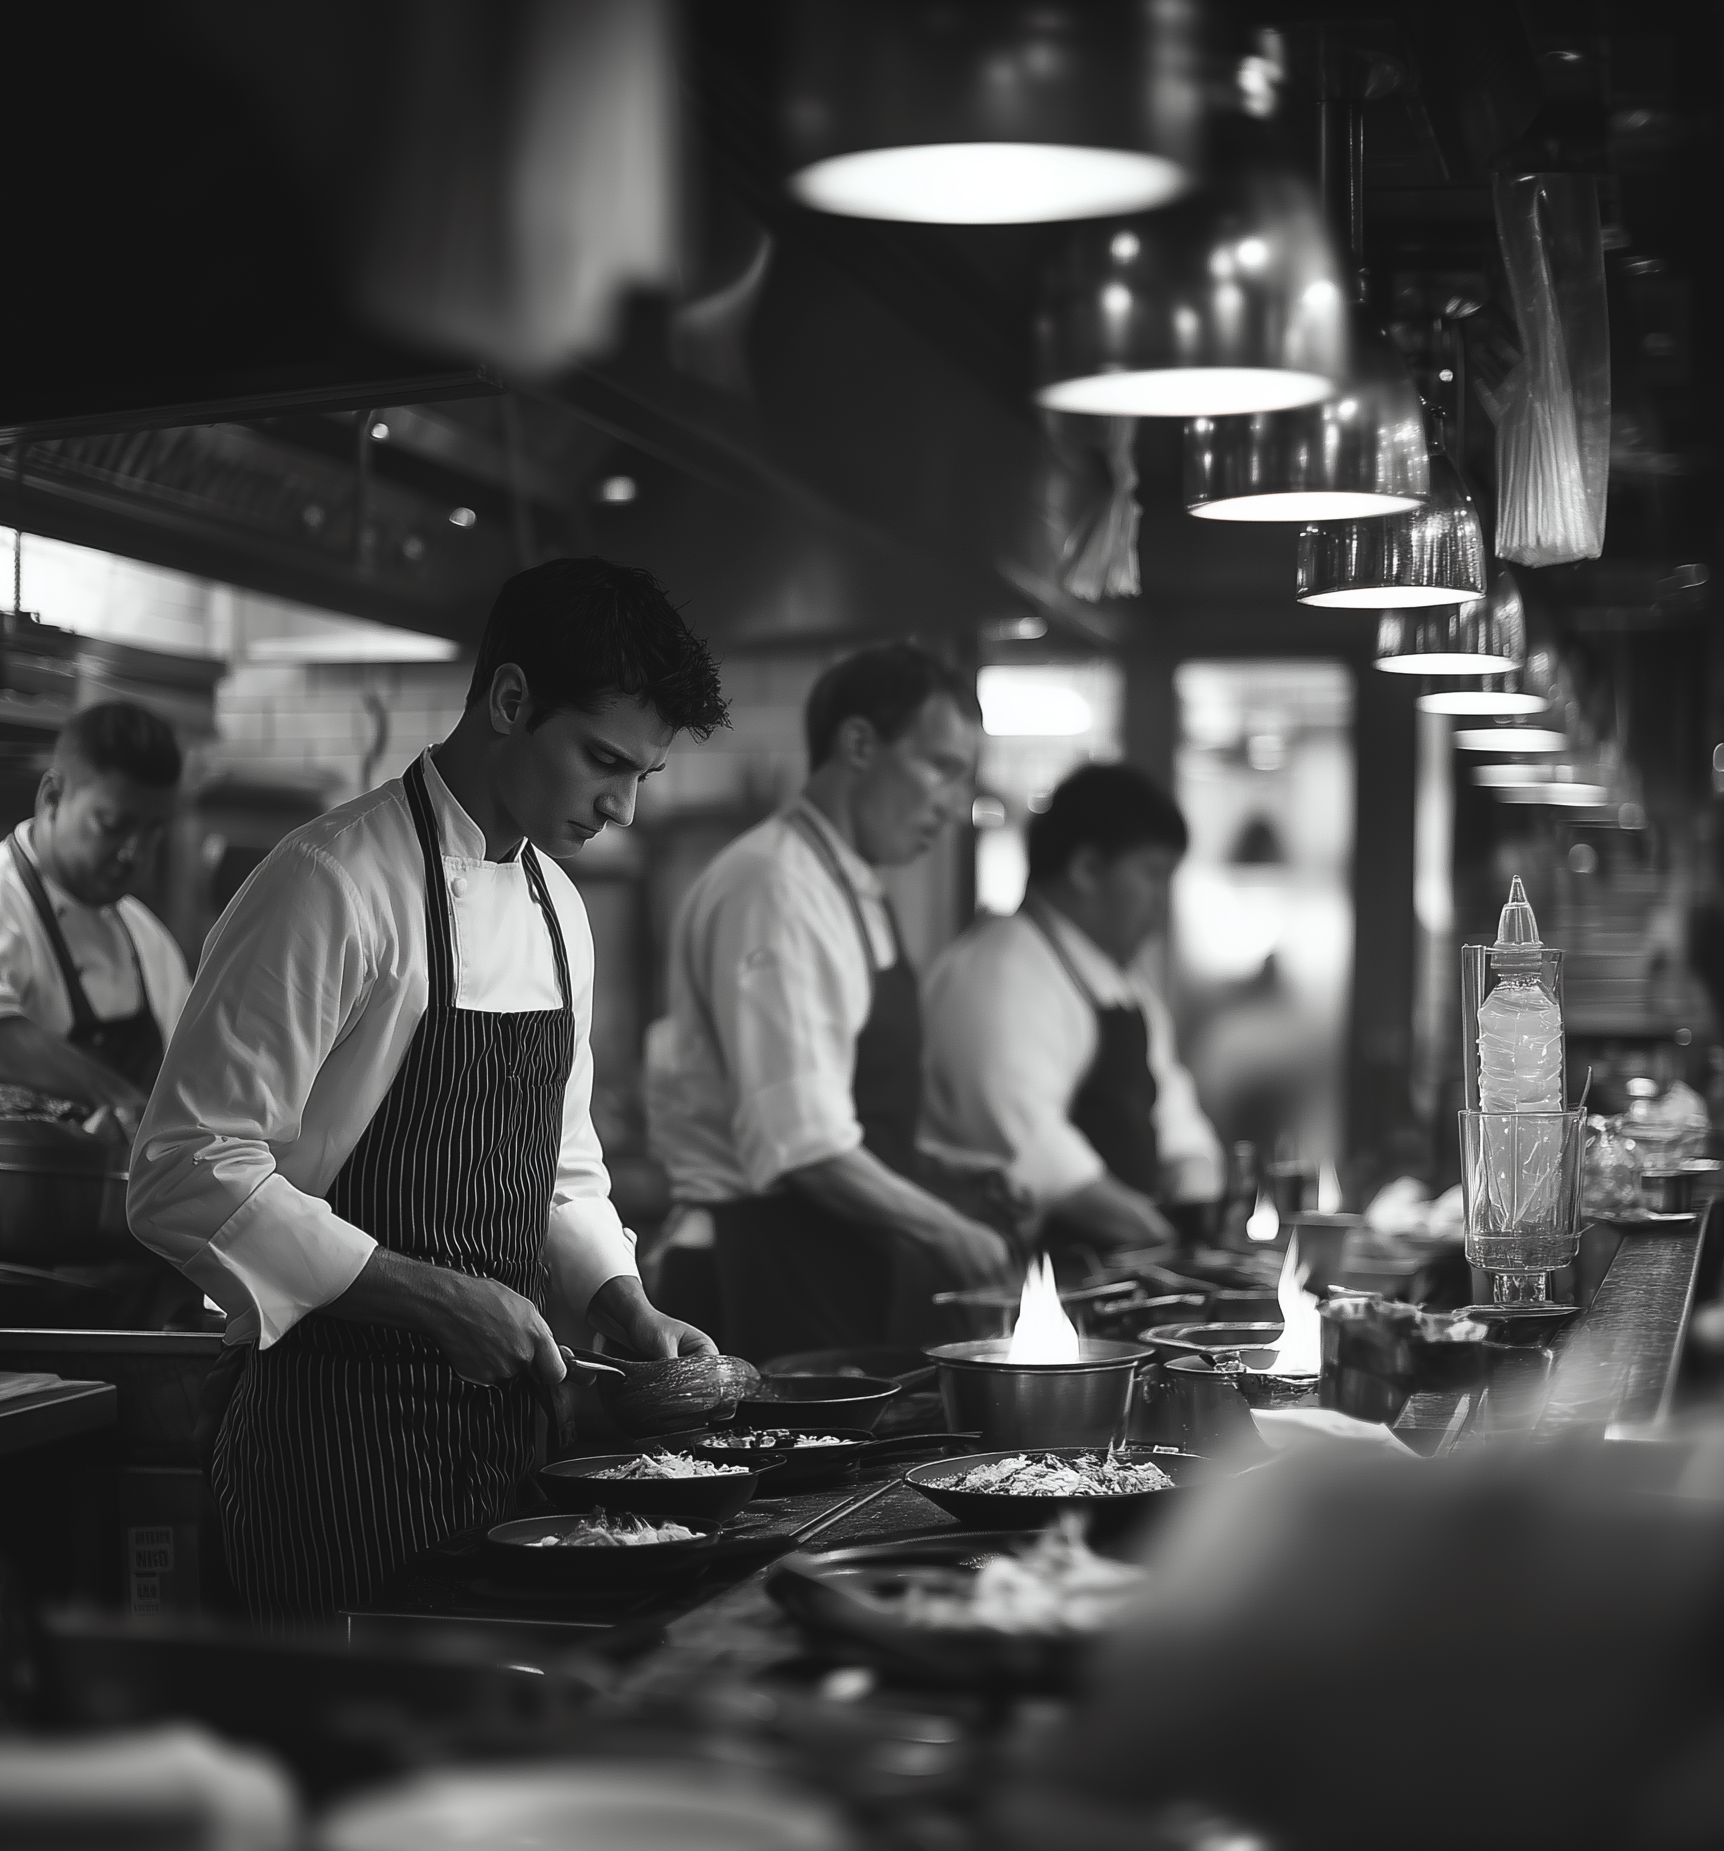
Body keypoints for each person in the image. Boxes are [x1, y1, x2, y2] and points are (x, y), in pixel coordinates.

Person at [128, 558, 729, 1620]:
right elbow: (185, 1168)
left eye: (643, 774)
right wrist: (435, 1298)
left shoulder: (559, 910)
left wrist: (621, 1301)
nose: (624, 807)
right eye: (604, 761)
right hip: (332, 1446)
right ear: (510, 700)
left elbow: (560, 1163)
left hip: (505, 1450)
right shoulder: (329, 883)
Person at [645, 643, 1013, 1362]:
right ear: (859, 744)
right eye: (941, 768)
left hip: (829, 1269)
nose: (954, 804)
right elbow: (801, 1145)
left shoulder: (849, 884)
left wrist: (938, 1165)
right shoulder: (777, 887)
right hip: (758, 1276)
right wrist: (951, 1230)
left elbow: (835, 1105)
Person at [921, 762, 1223, 1254]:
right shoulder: (1002, 969)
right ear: (1087, 869)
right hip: (1024, 1267)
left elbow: (1174, 1112)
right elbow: (1039, 1155)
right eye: (1152, 875)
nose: (1162, 904)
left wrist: (1196, 1189)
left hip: (1115, 1261)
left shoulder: (1122, 979)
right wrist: (1165, 1237)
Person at [0, 701, 191, 1131]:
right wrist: (122, 1099)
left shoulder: (148, 939)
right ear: (52, 797)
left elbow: (189, 1076)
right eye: (113, 824)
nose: (134, 853)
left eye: (153, 830)